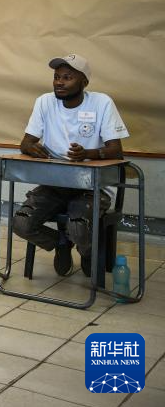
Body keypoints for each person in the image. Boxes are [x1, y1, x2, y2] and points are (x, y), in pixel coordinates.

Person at [12, 54, 129, 277]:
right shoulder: (45, 102)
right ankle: (61, 243)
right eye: (57, 77)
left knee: (78, 226)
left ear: (84, 82)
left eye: (67, 77)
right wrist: (31, 148)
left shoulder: (102, 103)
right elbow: (25, 142)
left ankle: (88, 252)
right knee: (21, 223)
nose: (59, 82)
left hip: (93, 186)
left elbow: (116, 150)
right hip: (55, 184)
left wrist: (88, 154)